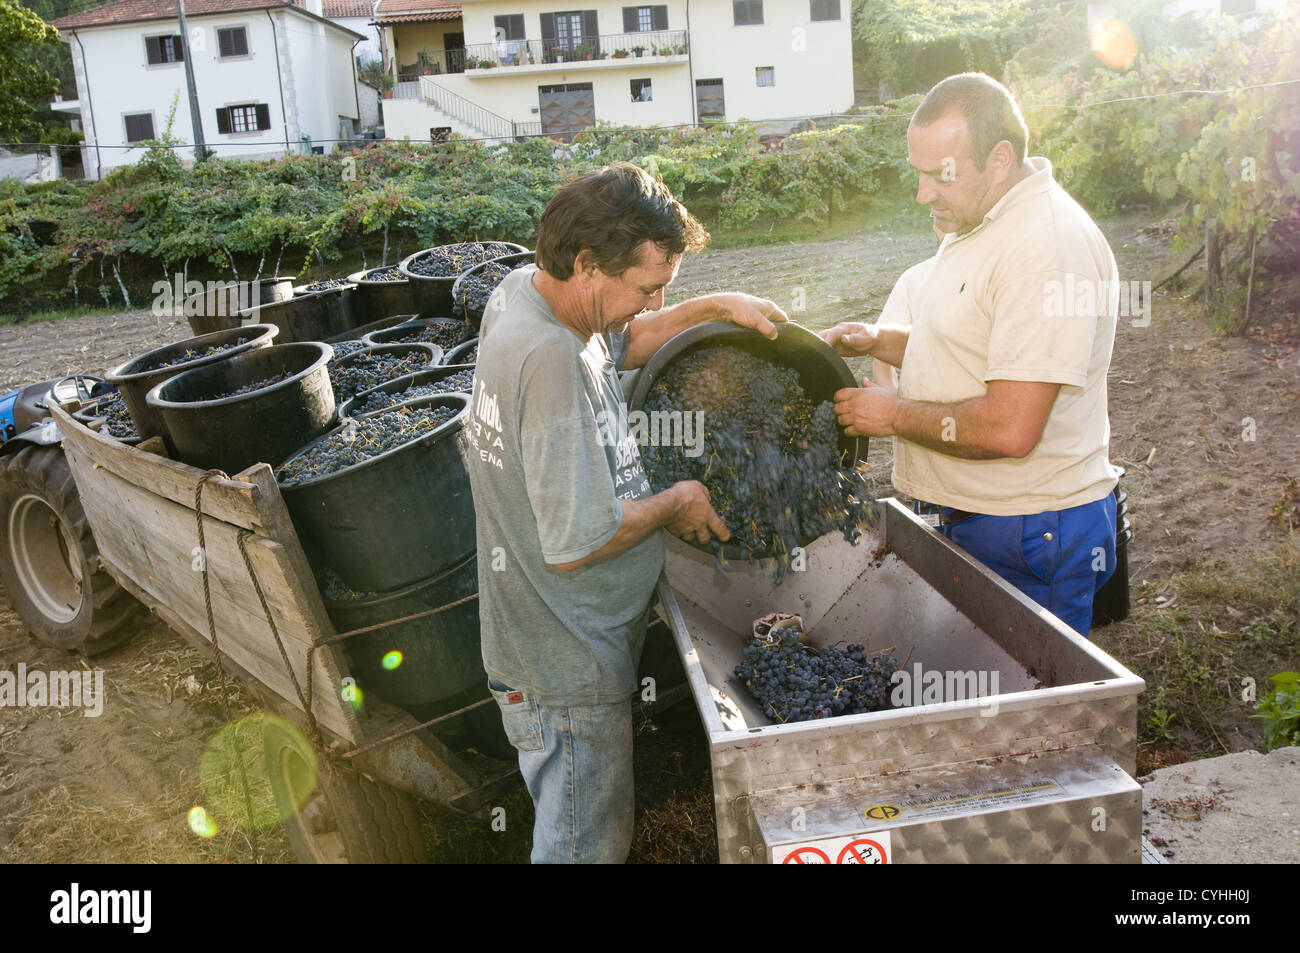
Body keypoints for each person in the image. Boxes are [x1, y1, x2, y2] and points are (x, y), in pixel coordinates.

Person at [464, 162, 787, 863]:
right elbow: (579, 541)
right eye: (647, 287)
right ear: (587, 264)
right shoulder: (547, 361)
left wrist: (711, 306)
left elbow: (616, 344)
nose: (654, 301)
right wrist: (678, 501)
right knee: (583, 845)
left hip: (543, 642)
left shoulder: (524, 293)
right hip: (567, 667)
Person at [821, 73, 1120, 636]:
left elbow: (1011, 427)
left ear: (1000, 159)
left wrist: (891, 416)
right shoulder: (980, 218)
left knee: (1033, 710)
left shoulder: (1047, 249)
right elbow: (977, 348)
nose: (923, 193)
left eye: (940, 175)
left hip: (1032, 527)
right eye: (919, 173)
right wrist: (882, 339)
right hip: (986, 519)